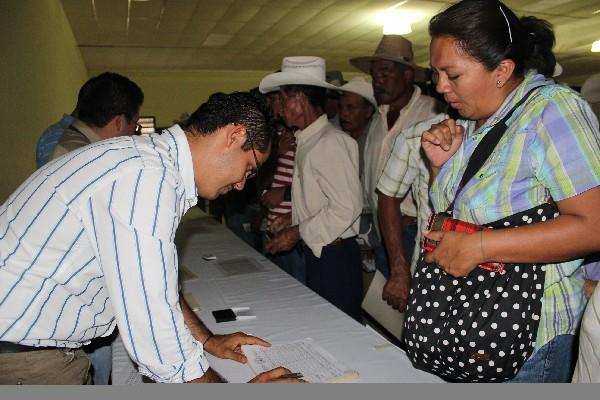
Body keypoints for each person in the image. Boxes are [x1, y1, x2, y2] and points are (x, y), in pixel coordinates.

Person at [0, 92, 303, 384]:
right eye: (249, 169)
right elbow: (157, 341)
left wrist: (207, 340)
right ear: (234, 136)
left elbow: (153, 285)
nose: (240, 185)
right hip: (23, 360)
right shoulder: (147, 179)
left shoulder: (146, 163)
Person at [417, 0, 600, 382]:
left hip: (527, 334)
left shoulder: (553, 110)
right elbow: (462, 215)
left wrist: (480, 247)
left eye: (452, 74)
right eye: (435, 73)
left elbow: (594, 225)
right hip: (472, 320)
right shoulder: (476, 123)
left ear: (502, 70)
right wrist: (441, 167)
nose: (439, 86)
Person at [43, 72, 145, 384]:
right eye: (132, 124)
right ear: (118, 122)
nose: (132, 133)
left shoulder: (69, 143)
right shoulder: (88, 158)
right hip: (70, 309)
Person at [260, 56, 363, 323]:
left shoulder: (329, 142)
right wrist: (294, 218)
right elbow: (323, 199)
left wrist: (298, 231)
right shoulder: (310, 140)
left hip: (335, 258)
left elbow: (347, 207)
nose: (279, 109)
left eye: (282, 100)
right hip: (322, 252)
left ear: (299, 100)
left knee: (340, 328)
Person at [350, 35, 445, 281]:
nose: (378, 82)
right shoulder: (377, 119)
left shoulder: (431, 114)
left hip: (413, 229)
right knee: (389, 314)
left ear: (407, 76)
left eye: (385, 74)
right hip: (384, 230)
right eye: (375, 76)